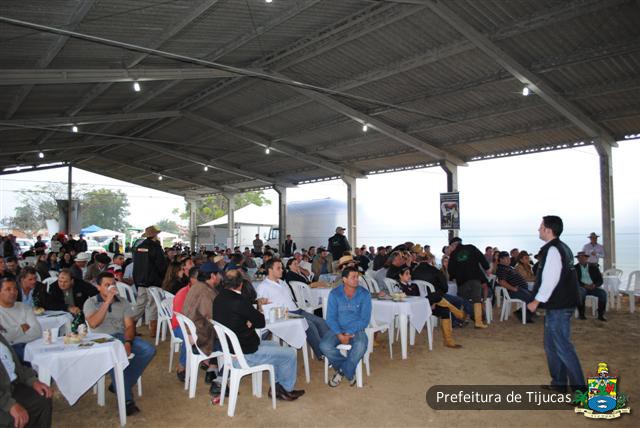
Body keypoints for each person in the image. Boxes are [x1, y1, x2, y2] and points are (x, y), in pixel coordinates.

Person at [212, 272, 304, 401]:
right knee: (290, 354)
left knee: (275, 345)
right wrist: (253, 315)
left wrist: (247, 320)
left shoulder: (218, 299)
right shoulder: (239, 301)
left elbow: (235, 318)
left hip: (231, 349)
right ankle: (285, 389)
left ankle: (277, 387)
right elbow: (261, 322)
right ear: (241, 284)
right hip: (244, 353)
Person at [526, 215, 586, 393]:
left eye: (541, 226)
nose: (538, 229)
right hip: (559, 304)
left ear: (548, 230)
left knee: (563, 347)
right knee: (551, 346)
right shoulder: (563, 248)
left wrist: (536, 301)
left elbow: (550, 279)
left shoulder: (553, 250)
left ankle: (581, 392)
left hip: (560, 305)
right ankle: (559, 383)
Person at [83, 272, 156, 416]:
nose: (112, 287)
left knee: (148, 350)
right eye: (107, 285)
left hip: (121, 336)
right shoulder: (91, 302)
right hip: (102, 339)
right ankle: (126, 399)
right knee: (117, 357)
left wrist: (128, 342)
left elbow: (129, 326)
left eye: (113, 284)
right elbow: (93, 323)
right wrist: (107, 302)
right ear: (98, 287)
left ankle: (121, 384)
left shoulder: (122, 302)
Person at [257, 259, 330, 360]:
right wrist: (261, 303)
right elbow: (261, 306)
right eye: (278, 268)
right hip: (285, 314)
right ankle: (322, 354)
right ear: (270, 270)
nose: (282, 270)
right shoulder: (263, 286)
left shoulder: (282, 282)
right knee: (310, 325)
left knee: (321, 322)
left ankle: (329, 347)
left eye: (282, 268)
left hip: (296, 309)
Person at [320, 267, 371, 387]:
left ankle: (342, 371)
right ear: (344, 279)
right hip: (337, 328)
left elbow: (364, 320)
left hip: (356, 329)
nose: (357, 279)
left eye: (357, 277)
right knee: (324, 346)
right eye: (353, 277)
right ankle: (349, 371)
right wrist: (339, 334)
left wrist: (348, 333)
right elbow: (330, 318)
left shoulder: (364, 294)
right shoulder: (335, 294)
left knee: (361, 345)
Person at [395, 266, 464, 347]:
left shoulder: (413, 285)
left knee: (444, 310)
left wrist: (432, 303)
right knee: (434, 295)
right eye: (407, 274)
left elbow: (422, 296)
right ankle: (458, 313)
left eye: (410, 273)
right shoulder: (398, 286)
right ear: (400, 275)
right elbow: (400, 300)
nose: (409, 276)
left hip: (423, 306)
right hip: (412, 309)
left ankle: (448, 341)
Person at [0, 331, 52, 428]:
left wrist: (33, 381)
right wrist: (10, 405)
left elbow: (16, 366)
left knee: (43, 398)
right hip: (2, 397)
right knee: (14, 420)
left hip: (12, 386)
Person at [181, 262, 220, 378]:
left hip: (193, 333)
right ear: (213, 276)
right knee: (230, 337)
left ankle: (213, 367)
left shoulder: (196, 287)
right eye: (218, 274)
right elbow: (214, 319)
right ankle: (218, 373)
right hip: (201, 340)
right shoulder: (206, 292)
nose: (220, 277)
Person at [447, 237, 490, 329]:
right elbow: (481, 258)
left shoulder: (453, 254)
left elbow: (450, 269)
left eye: (451, 246)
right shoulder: (471, 247)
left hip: (462, 281)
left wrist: (453, 277)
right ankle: (478, 322)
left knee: (463, 300)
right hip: (475, 278)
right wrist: (486, 268)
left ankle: (462, 319)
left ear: (454, 245)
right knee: (476, 299)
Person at [132, 226, 167, 337]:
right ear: (155, 235)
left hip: (141, 281)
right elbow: (161, 265)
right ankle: (153, 331)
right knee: (153, 305)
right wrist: (162, 277)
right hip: (153, 281)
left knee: (140, 304)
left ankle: (130, 326)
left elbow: (136, 265)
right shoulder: (156, 247)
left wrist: (137, 280)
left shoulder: (139, 248)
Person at [0, 277, 42, 361]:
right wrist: (21, 328)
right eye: (8, 289)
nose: (13, 292)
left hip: (31, 346)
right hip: (10, 351)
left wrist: (13, 336)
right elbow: (3, 338)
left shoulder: (24, 307)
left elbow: (37, 331)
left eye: (15, 289)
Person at [171, 267, 198, 383]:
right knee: (190, 338)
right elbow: (181, 319)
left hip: (194, 324)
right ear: (192, 279)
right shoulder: (183, 294)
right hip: (179, 326)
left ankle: (209, 361)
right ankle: (182, 366)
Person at [495, 252, 535, 323]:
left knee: (535, 296)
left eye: (509, 258)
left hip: (520, 289)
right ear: (501, 259)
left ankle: (522, 312)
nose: (509, 260)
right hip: (514, 291)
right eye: (506, 258)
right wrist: (514, 289)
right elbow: (501, 282)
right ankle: (522, 314)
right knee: (531, 298)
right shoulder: (501, 268)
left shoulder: (509, 267)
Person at [574, 251, 607, 321]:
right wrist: (584, 285)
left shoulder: (594, 267)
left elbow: (600, 280)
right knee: (581, 292)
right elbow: (574, 281)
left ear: (587, 258)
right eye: (579, 258)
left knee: (603, 293)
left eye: (583, 257)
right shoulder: (574, 268)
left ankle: (601, 315)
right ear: (577, 259)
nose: (581, 259)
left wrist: (595, 285)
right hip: (582, 287)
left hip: (593, 287)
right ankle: (581, 314)